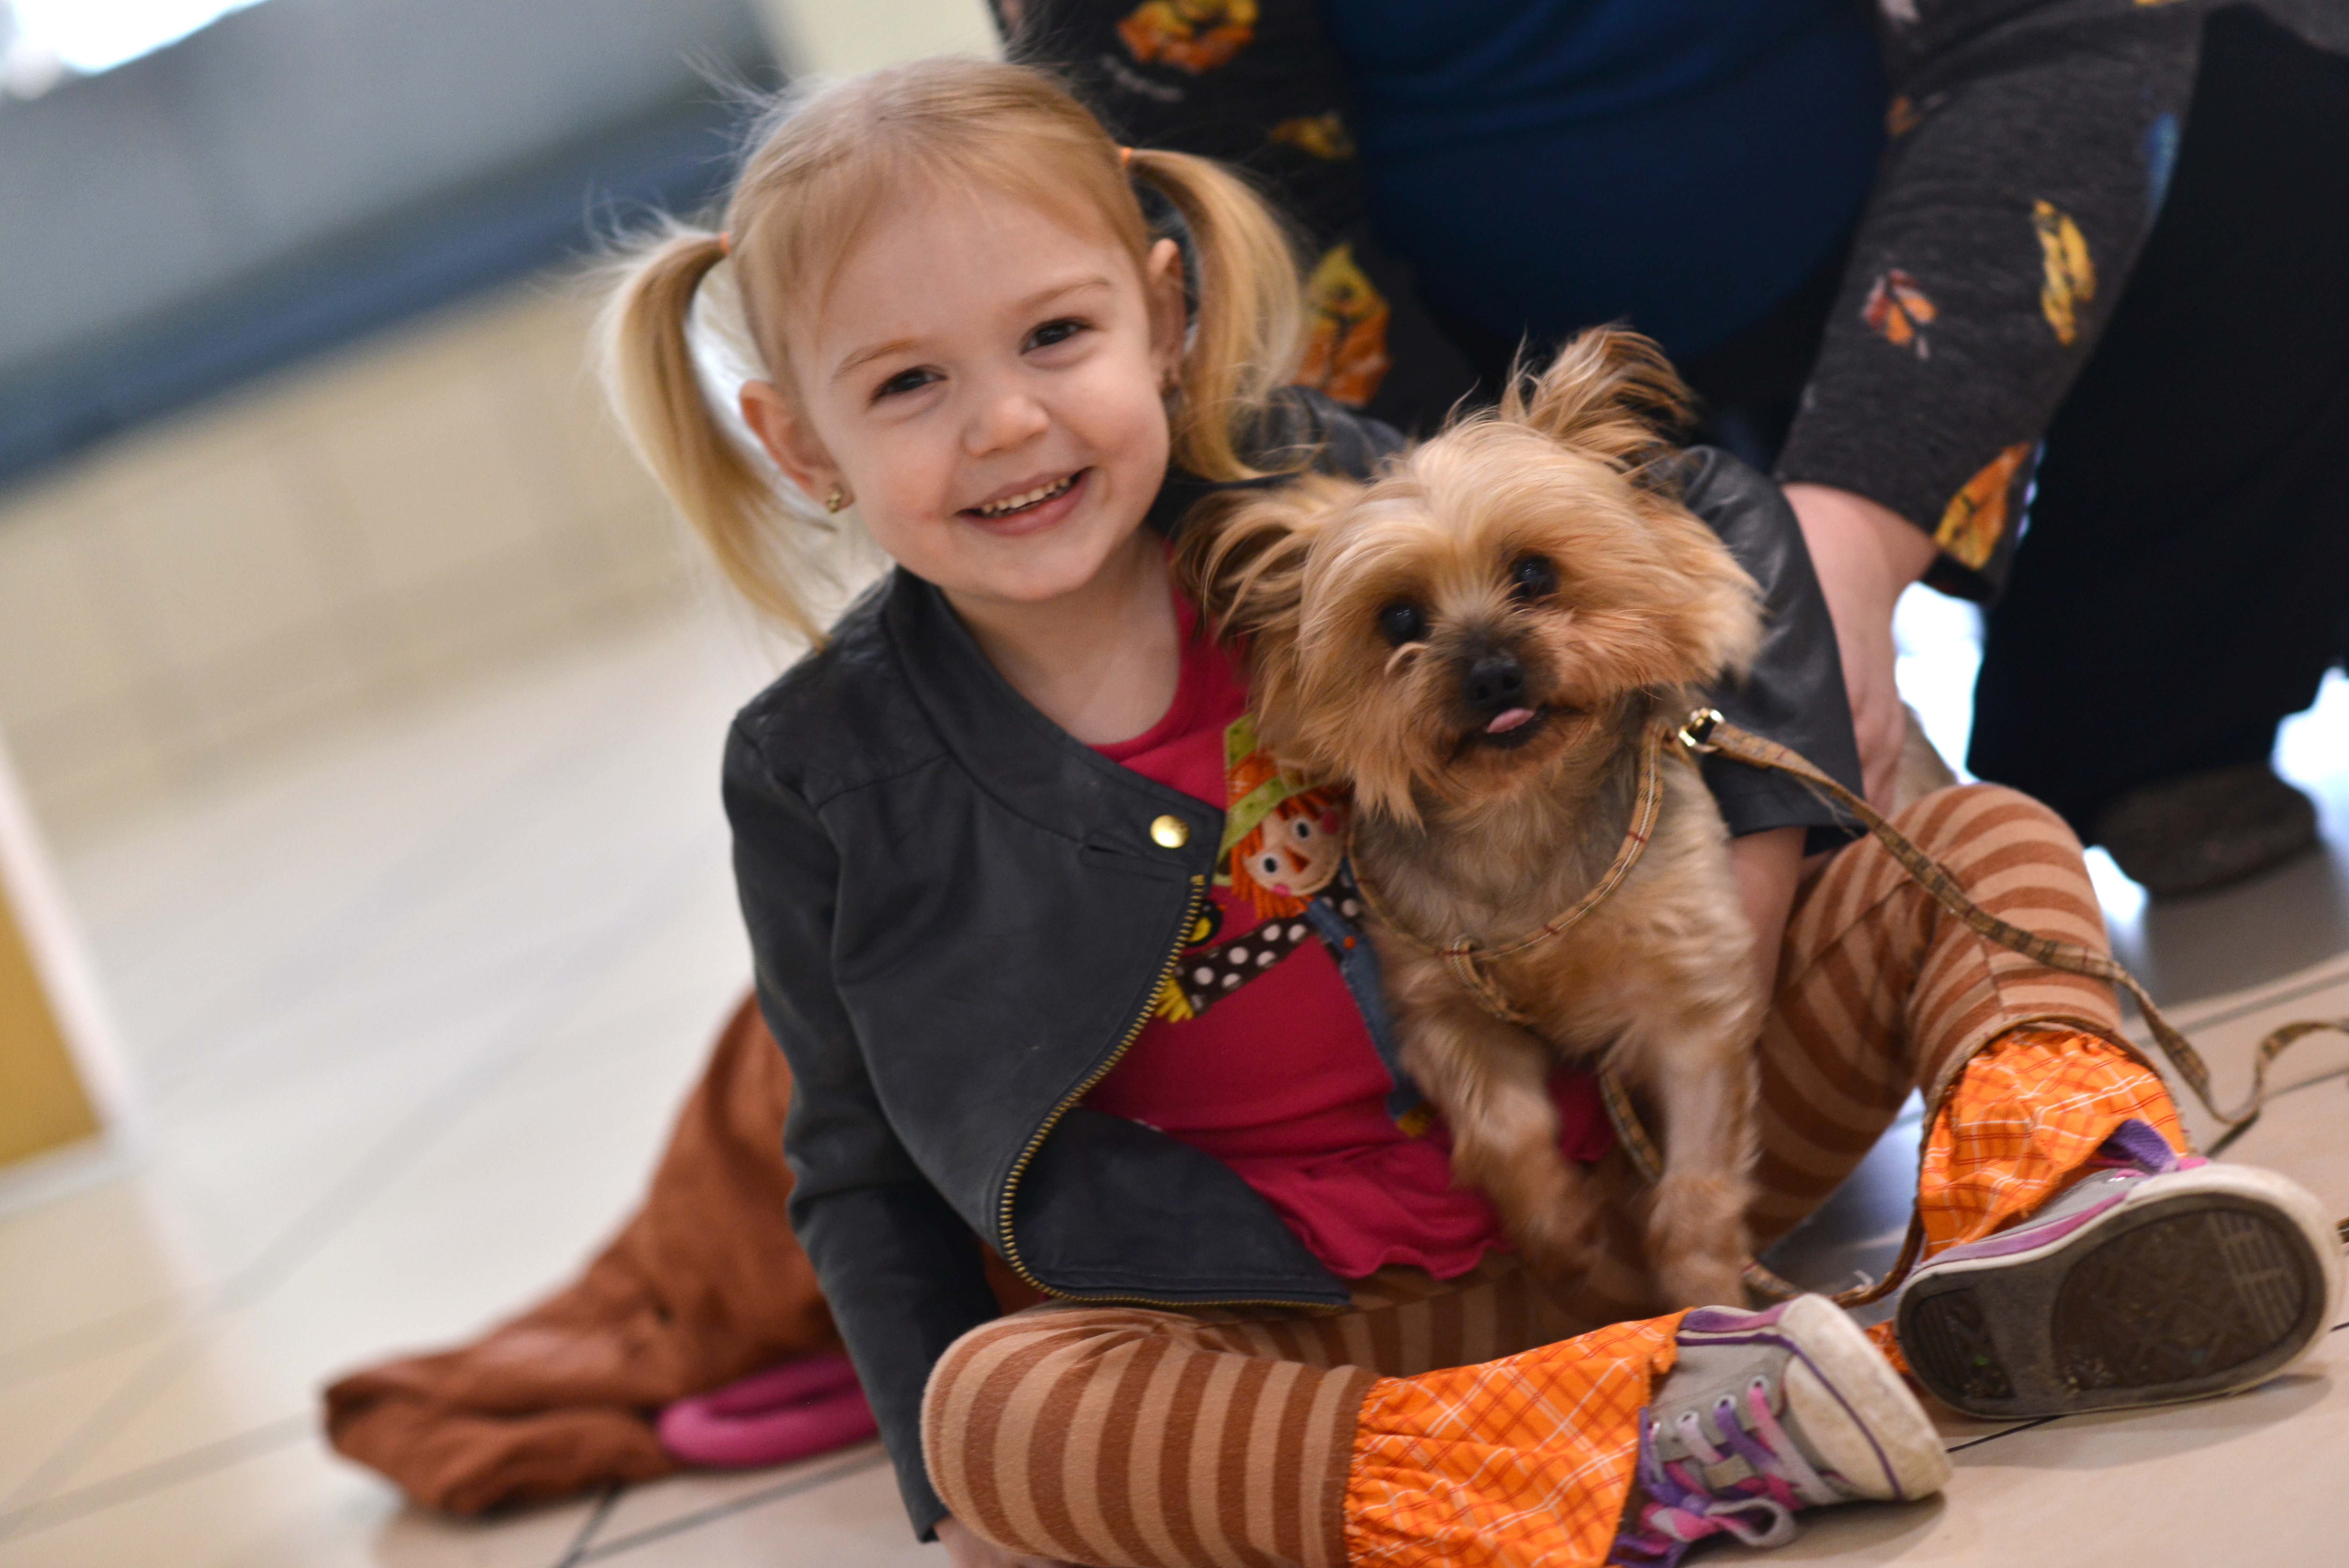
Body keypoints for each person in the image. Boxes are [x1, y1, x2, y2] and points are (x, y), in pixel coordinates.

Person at [600, 59, 2339, 1568]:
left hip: (1634, 1160)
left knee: (1974, 853)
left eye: (1056, 335)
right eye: (905, 385)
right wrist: (945, 1479)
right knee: (1002, 1407)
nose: (1005, 420)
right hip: (1297, 1317)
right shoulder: (823, 768)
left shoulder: (1316, 485)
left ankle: (2058, 1204)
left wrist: (1749, 844)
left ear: (1165, 312)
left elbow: (1708, 509)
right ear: (797, 440)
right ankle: (1614, 1444)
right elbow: (850, 1163)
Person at [999, 0, 2349, 899]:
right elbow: (1219, 185)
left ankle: (2137, 724)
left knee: (2289, 125)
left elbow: (2053, 32)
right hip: (1445, 337)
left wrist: (1854, 537)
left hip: (1918, 180)